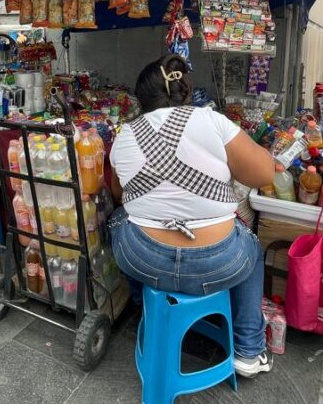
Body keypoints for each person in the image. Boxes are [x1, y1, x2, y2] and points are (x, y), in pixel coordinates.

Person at [108, 54, 277, 378]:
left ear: (140, 98)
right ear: (186, 91)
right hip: (218, 262)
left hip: (143, 260)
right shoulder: (212, 121)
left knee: (116, 220)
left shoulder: (125, 135)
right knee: (253, 248)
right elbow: (264, 174)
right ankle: (248, 350)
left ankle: (147, 309)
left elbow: (120, 194)